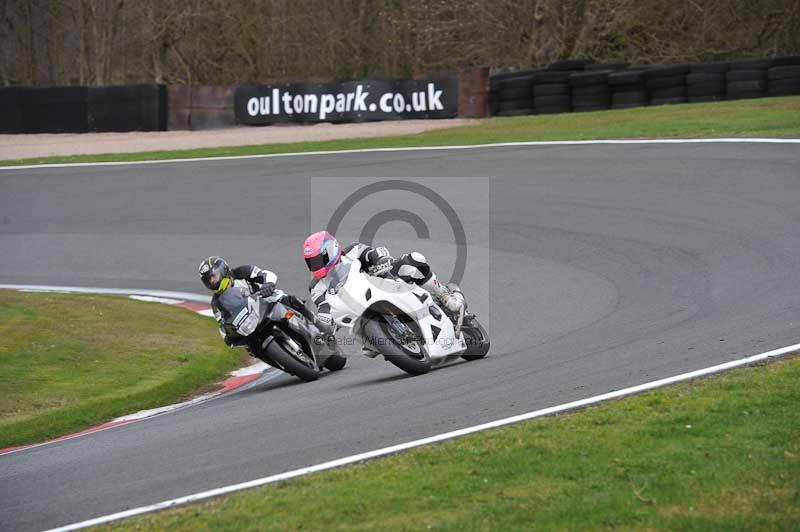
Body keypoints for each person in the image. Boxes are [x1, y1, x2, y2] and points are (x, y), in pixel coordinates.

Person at [301, 230, 464, 328]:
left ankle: (445, 296)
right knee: (368, 346)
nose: (315, 265)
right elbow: (324, 308)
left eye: (318, 260)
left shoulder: (352, 251)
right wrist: (321, 322)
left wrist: (382, 261)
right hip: (361, 312)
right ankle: (382, 337)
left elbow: (374, 254)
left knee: (413, 260)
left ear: (331, 249)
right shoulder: (316, 286)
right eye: (310, 262)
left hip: (386, 285)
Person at [198, 256, 334, 347]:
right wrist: (228, 337)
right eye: (208, 280)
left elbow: (266, 274)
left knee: (293, 301)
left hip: (268, 301)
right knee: (250, 347)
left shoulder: (242, 272)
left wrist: (268, 284)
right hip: (248, 323)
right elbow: (222, 324)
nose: (212, 282)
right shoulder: (217, 303)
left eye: (213, 277)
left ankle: (320, 326)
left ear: (223, 270)